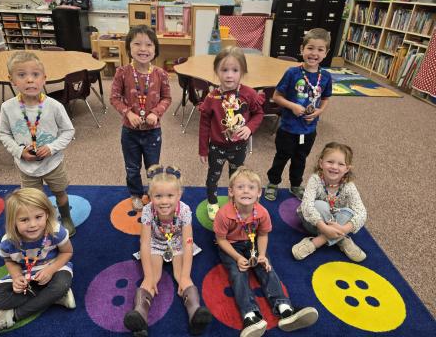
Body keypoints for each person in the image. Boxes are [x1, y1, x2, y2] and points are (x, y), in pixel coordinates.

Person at [214, 166, 319, 336]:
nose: (245, 191)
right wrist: (237, 257)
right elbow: (221, 240)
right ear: (231, 191)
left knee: (267, 268)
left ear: (259, 193)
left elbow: (263, 235)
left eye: (251, 187)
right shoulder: (224, 214)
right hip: (231, 245)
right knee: (237, 273)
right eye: (240, 187)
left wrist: (262, 255)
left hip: (253, 243)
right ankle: (250, 315)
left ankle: (285, 309)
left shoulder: (262, 213)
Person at [124, 165, 212, 336]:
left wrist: (186, 275)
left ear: (179, 195)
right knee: (151, 279)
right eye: (158, 196)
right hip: (155, 245)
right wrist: (149, 276)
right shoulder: (148, 210)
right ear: (150, 196)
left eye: (170, 196)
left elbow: (188, 243)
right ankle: (139, 316)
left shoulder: (185, 210)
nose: (164, 201)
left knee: (182, 278)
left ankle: (195, 313)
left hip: (178, 245)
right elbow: (144, 242)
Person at [0, 51, 76, 236]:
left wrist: (51, 147)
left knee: (60, 192)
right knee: (33, 200)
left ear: (44, 79)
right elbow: (3, 133)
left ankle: (65, 217)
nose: (30, 80)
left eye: (35, 74)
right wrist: (18, 151)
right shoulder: (7, 108)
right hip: (26, 166)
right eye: (22, 75)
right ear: (12, 80)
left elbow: (69, 131)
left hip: (53, 163)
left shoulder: (54, 106)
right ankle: (40, 222)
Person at [0, 188, 75, 337]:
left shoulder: (56, 231)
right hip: (25, 273)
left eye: (38, 217)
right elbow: (9, 260)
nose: (33, 225)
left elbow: (67, 252)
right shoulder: (8, 242)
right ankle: (54, 297)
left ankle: (12, 317)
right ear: (13, 221)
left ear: (47, 214)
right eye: (24, 220)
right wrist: (16, 277)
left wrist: (50, 270)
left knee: (61, 284)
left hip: (54, 268)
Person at [265, 28, 332, 202]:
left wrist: (320, 111)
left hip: (309, 130)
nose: (314, 53)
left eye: (320, 49)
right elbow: (276, 96)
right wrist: (292, 106)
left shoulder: (325, 77)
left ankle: (295, 184)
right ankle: (272, 183)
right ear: (302, 49)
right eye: (310, 48)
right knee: (281, 157)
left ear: (326, 53)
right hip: (288, 128)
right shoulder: (292, 73)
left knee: (300, 159)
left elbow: (325, 98)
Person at [110, 24, 172, 212]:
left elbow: (167, 97)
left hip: (153, 132)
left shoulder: (161, 74)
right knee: (132, 167)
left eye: (149, 45)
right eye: (137, 44)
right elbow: (114, 97)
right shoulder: (122, 72)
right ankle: (136, 194)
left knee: (153, 167)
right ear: (129, 47)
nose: (143, 49)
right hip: (130, 132)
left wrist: (156, 113)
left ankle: (154, 194)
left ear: (155, 49)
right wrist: (128, 113)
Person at [199, 46, 264, 220]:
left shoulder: (249, 94)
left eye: (235, 70)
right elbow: (204, 124)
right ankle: (212, 202)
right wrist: (203, 149)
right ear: (216, 71)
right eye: (224, 70)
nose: (229, 75)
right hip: (217, 147)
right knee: (213, 176)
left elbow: (258, 114)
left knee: (236, 178)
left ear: (242, 71)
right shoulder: (212, 97)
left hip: (239, 147)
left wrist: (250, 127)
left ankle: (233, 202)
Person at [292, 142, 367, 262]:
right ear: (321, 163)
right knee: (319, 205)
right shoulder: (315, 180)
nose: (334, 167)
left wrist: (344, 229)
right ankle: (341, 239)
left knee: (348, 212)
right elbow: (307, 207)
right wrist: (325, 228)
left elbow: (362, 212)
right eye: (330, 162)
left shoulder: (349, 186)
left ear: (347, 169)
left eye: (341, 164)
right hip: (314, 224)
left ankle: (317, 242)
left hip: (339, 224)